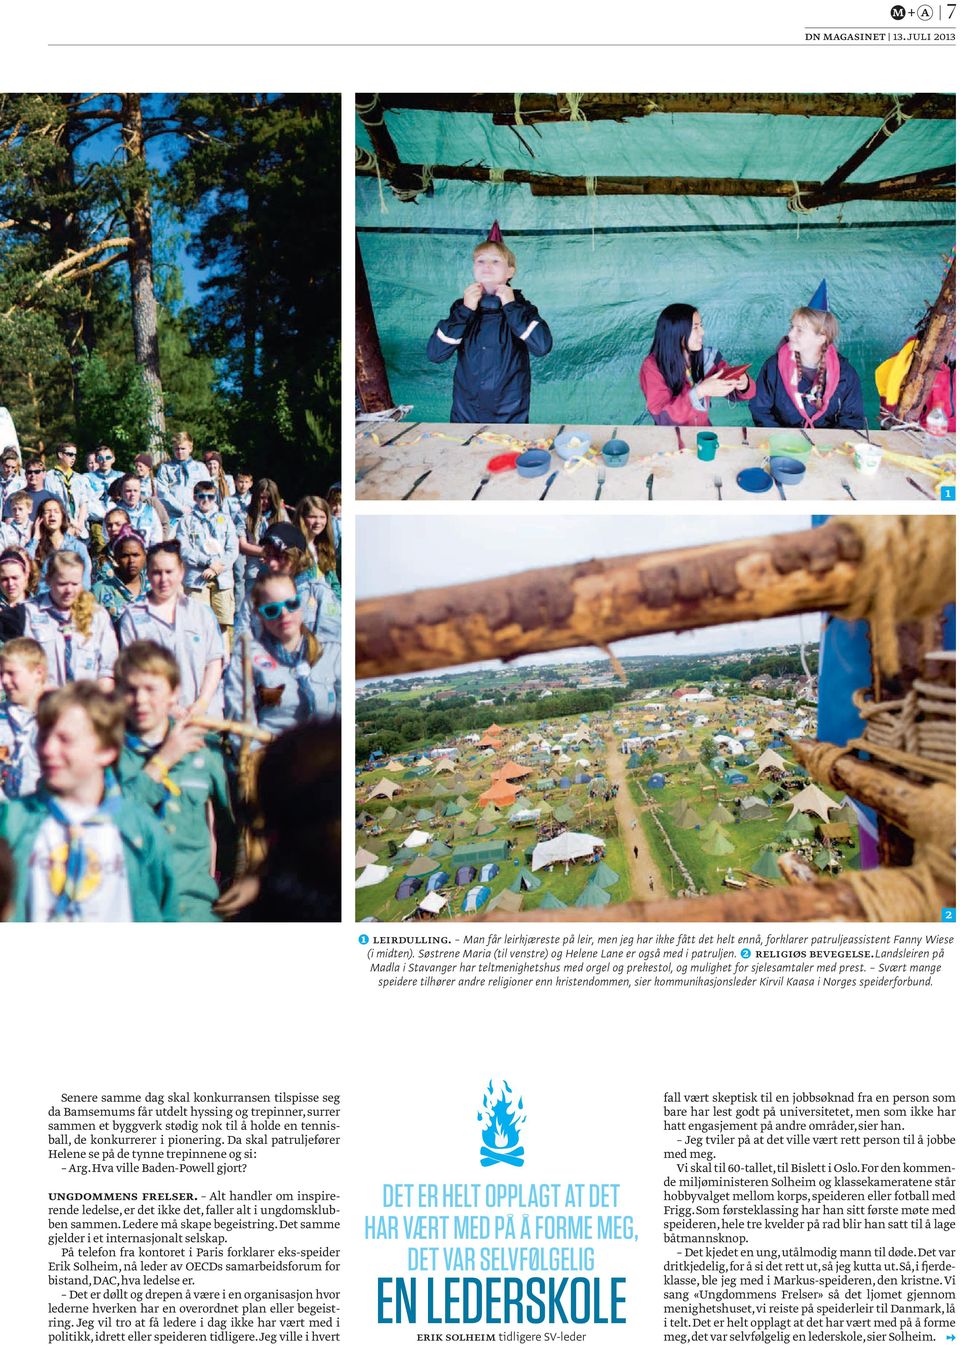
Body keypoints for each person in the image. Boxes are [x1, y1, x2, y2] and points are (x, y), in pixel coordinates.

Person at [0, 681, 177, 922]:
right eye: (43, 736)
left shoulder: (140, 829)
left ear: (106, 750)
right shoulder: (13, 821)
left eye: (65, 739)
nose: (48, 749)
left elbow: (165, 912)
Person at [115, 641, 232, 922]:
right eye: (131, 690)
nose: (140, 700)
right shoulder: (107, 754)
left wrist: (249, 880)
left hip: (194, 904)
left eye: (151, 689)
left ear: (174, 693)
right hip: (133, 906)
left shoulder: (204, 753)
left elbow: (235, 827)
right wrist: (162, 761)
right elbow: (111, 822)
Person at [426, 235, 553, 423]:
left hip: (510, 414)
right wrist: (466, 310)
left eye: (495, 261)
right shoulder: (461, 308)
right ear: (474, 268)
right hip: (466, 413)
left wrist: (511, 307)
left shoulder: (522, 308)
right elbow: (435, 354)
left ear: (510, 271)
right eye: (480, 261)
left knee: (508, 453)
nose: (487, 266)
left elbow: (542, 347)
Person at [224, 572, 340, 740]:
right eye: (272, 610)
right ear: (259, 614)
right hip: (272, 757)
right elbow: (241, 729)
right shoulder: (245, 660)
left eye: (292, 604)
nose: (284, 613)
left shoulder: (330, 653)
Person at [118, 540, 225, 717]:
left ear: (181, 572)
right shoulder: (132, 618)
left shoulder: (202, 613)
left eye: (169, 572)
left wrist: (203, 702)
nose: (164, 579)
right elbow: (132, 671)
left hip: (203, 717)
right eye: (157, 573)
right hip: (156, 718)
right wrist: (168, 707)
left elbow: (214, 661)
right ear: (148, 574)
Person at [750, 303, 864, 430]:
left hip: (827, 447)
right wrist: (783, 440)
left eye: (800, 330)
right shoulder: (773, 367)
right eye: (792, 327)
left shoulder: (845, 374)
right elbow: (760, 410)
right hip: (783, 444)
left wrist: (827, 446)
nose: (791, 334)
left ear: (821, 338)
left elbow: (851, 421)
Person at [639, 304, 755, 426]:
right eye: (695, 328)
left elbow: (740, 392)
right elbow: (662, 416)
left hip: (703, 434)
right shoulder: (652, 367)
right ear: (677, 331)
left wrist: (743, 384)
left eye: (701, 326)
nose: (702, 332)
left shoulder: (708, 358)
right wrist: (700, 391)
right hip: (670, 437)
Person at [24, 551, 118, 689]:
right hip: (45, 702)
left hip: (88, 702)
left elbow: (108, 669)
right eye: (62, 584)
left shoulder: (97, 615)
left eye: (75, 584)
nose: (69, 590)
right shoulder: (29, 612)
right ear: (49, 579)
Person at [234, 522, 340, 641]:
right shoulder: (254, 597)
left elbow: (333, 643)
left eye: (280, 556)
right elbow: (241, 641)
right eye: (268, 555)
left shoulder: (319, 593)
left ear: (297, 556)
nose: (272, 563)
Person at [173, 479, 239, 644]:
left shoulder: (226, 520)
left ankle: (224, 662)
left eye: (210, 497)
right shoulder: (186, 521)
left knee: (222, 625)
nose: (206, 500)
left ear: (215, 497)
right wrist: (209, 562)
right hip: (197, 578)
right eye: (202, 496)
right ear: (195, 497)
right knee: (197, 624)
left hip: (223, 579)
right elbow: (184, 550)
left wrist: (216, 568)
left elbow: (232, 550)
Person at [0, 637, 46, 799]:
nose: (4, 680)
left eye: (11, 673)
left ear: (38, 673)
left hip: (44, 811)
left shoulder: (55, 718)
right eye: (1, 674)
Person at [29, 497, 92, 591]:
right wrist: (34, 540)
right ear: (40, 518)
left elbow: (85, 580)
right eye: (47, 512)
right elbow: (23, 566)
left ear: (62, 516)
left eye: (56, 511)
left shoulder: (77, 547)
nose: (52, 515)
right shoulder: (36, 546)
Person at [238, 478, 288, 593]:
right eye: (262, 498)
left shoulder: (281, 514)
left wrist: (272, 555)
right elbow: (242, 545)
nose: (265, 502)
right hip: (254, 571)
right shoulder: (244, 514)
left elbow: (288, 541)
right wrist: (265, 552)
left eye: (269, 498)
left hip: (276, 570)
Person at [93, 531, 149, 631]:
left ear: (144, 556)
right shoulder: (100, 590)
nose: (131, 560)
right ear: (116, 559)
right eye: (125, 556)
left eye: (136, 555)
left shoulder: (155, 588)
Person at [155, 431, 208, 522]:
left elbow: (207, 490)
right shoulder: (165, 468)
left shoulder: (200, 468)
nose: (180, 452)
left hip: (196, 515)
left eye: (183, 448)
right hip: (172, 516)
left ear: (190, 448)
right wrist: (181, 508)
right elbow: (162, 492)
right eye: (177, 449)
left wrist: (197, 508)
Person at [295, 495, 341, 597]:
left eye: (322, 517)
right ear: (301, 518)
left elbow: (334, 584)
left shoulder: (325, 548)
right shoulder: (292, 548)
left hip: (327, 607)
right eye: (312, 517)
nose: (318, 522)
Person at [44, 441, 91, 538]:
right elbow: (53, 502)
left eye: (75, 455)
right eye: (70, 454)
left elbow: (84, 502)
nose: (73, 458)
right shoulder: (49, 477)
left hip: (79, 529)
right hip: (61, 527)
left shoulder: (79, 478)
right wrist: (70, 523)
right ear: (60, 455)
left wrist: (80, 524)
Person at [0, 547, 39, 642]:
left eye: (15, 578)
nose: (10, 584)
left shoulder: (39, 608)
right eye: (5, 579)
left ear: (26, 575)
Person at [133, 454, 172, 538]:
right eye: (136, 466)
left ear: (148, 467)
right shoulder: (134, 482)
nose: (137, 469)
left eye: (140, 466)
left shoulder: (155, 483)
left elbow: (163, 499)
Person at [84, 444, 124, 523]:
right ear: (96, 460)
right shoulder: (86, 478)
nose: (104, 460)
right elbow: (86, 503)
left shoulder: (122, 477)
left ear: (113, 459)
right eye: (100, 458)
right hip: (96, 521)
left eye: (108, 457)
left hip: (118, 520)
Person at [14, 456, 58, 521]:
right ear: (25, 475)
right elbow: (9, 524)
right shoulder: (15, 497)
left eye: (37, 472)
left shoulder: (54, 499)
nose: (33, 475)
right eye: (29, 472)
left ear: (44, 474)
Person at [0, 447, 25, 517]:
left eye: (13, 467)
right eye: (7, 466)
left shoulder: (21, 483)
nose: (9, 470)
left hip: (12, 518)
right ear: (1, 464)